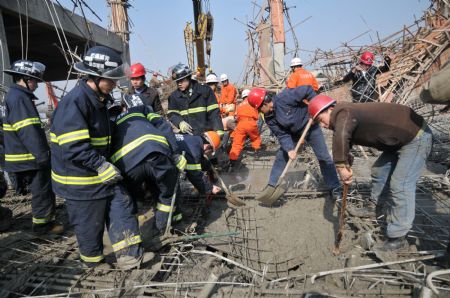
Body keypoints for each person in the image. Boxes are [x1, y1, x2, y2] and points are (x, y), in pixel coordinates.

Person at [51, 46, 148, 269]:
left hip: (96, 173)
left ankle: (129, 256)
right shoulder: (76, 102)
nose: (114, 84)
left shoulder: (98, 99)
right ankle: (93, 264)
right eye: (110, 80)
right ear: (94, 77)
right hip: (79, 181)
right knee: (89, 225)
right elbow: (74, 146)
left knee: (122, 203)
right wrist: (100, 164)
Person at [308, 95, 432, 251]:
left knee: (401, 185)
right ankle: (375, 207)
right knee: (379, 171)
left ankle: (398, 237)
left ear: (330, 109)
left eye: (320, 119)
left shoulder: (343, 112)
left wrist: (340, 167)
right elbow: (345, 136)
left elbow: (342, 134)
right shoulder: (343, 115)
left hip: (416, 138)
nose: (322, 125)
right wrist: (345, 158)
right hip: (397, 140)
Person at [247, 87, 340, 200]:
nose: (260, 112)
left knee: (323, 157)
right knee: (282, 157)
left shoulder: (284, 98)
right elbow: (281, 134)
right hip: (293, 134)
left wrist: (315, 106)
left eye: (260, 109)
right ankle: (272, 185)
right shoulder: (269, 117)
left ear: (265, 103)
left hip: (310, 126)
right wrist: (290, 149)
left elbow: (307, 90)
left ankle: (334, 187)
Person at [109, 99, 186, 234]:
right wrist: (175, 153)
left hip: (128, 165)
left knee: (127, 200)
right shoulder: (140, 110)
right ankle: (160, 230)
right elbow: (164, 126)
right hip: (155, 154)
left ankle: (132, 239)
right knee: (166, 193)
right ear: (123, 108)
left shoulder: (107, 124)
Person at [3, 60, 62, 235]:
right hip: (30, 157)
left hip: (22, 156)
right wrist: (43, 156)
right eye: (35, 81)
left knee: (40, 191)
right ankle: (43, 227)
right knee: (42, 191)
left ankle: (43, 223)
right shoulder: (20, 98)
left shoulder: (14, 96)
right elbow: (28, 131)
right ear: (25, 79)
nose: (37, 85)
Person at [167, 64, 224, 137]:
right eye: (177, 82)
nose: (179, 84)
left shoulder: (205, 91)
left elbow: (214, 113)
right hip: (189, 137)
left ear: (188, 78)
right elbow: (172, 114)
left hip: (207, 135)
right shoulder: (174, 97)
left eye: (181, 81)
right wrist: (180, 122)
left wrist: (219, 130)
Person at [175, 131, 222, 198]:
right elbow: (194, 174)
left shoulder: (192, 138)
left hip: (159, 151)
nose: (209, 154)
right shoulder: (195, 152)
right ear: (207, 146)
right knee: (172, 191)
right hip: (161, 162)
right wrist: (210, 188)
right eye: (211, 151)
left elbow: (194, 157)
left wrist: (206, 164)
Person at [228, 89, 261, 170]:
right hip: (251, 122)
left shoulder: (240, 105)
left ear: (243, 97)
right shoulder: (253, 103)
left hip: (241, 124)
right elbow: (257, 114)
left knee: (237, 143)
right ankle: (257, 152)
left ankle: (232, 161)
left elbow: (237, 117)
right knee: (255, 137)